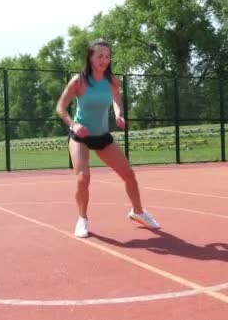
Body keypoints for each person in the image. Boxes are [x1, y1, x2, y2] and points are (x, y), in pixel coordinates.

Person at [55, 38, 161, 238]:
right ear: (90, 57)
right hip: (81, 137)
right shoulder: (79, 81)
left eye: (107, 56)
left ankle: (138, 212)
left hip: (102, 136)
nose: (104, 60)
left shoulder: (112, 81)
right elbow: (60, 108)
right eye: (100, 56)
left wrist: (119, 114)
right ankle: (82, 219)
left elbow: (117, 102)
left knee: (128, 174)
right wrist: (74, 125)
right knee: (83, 178)